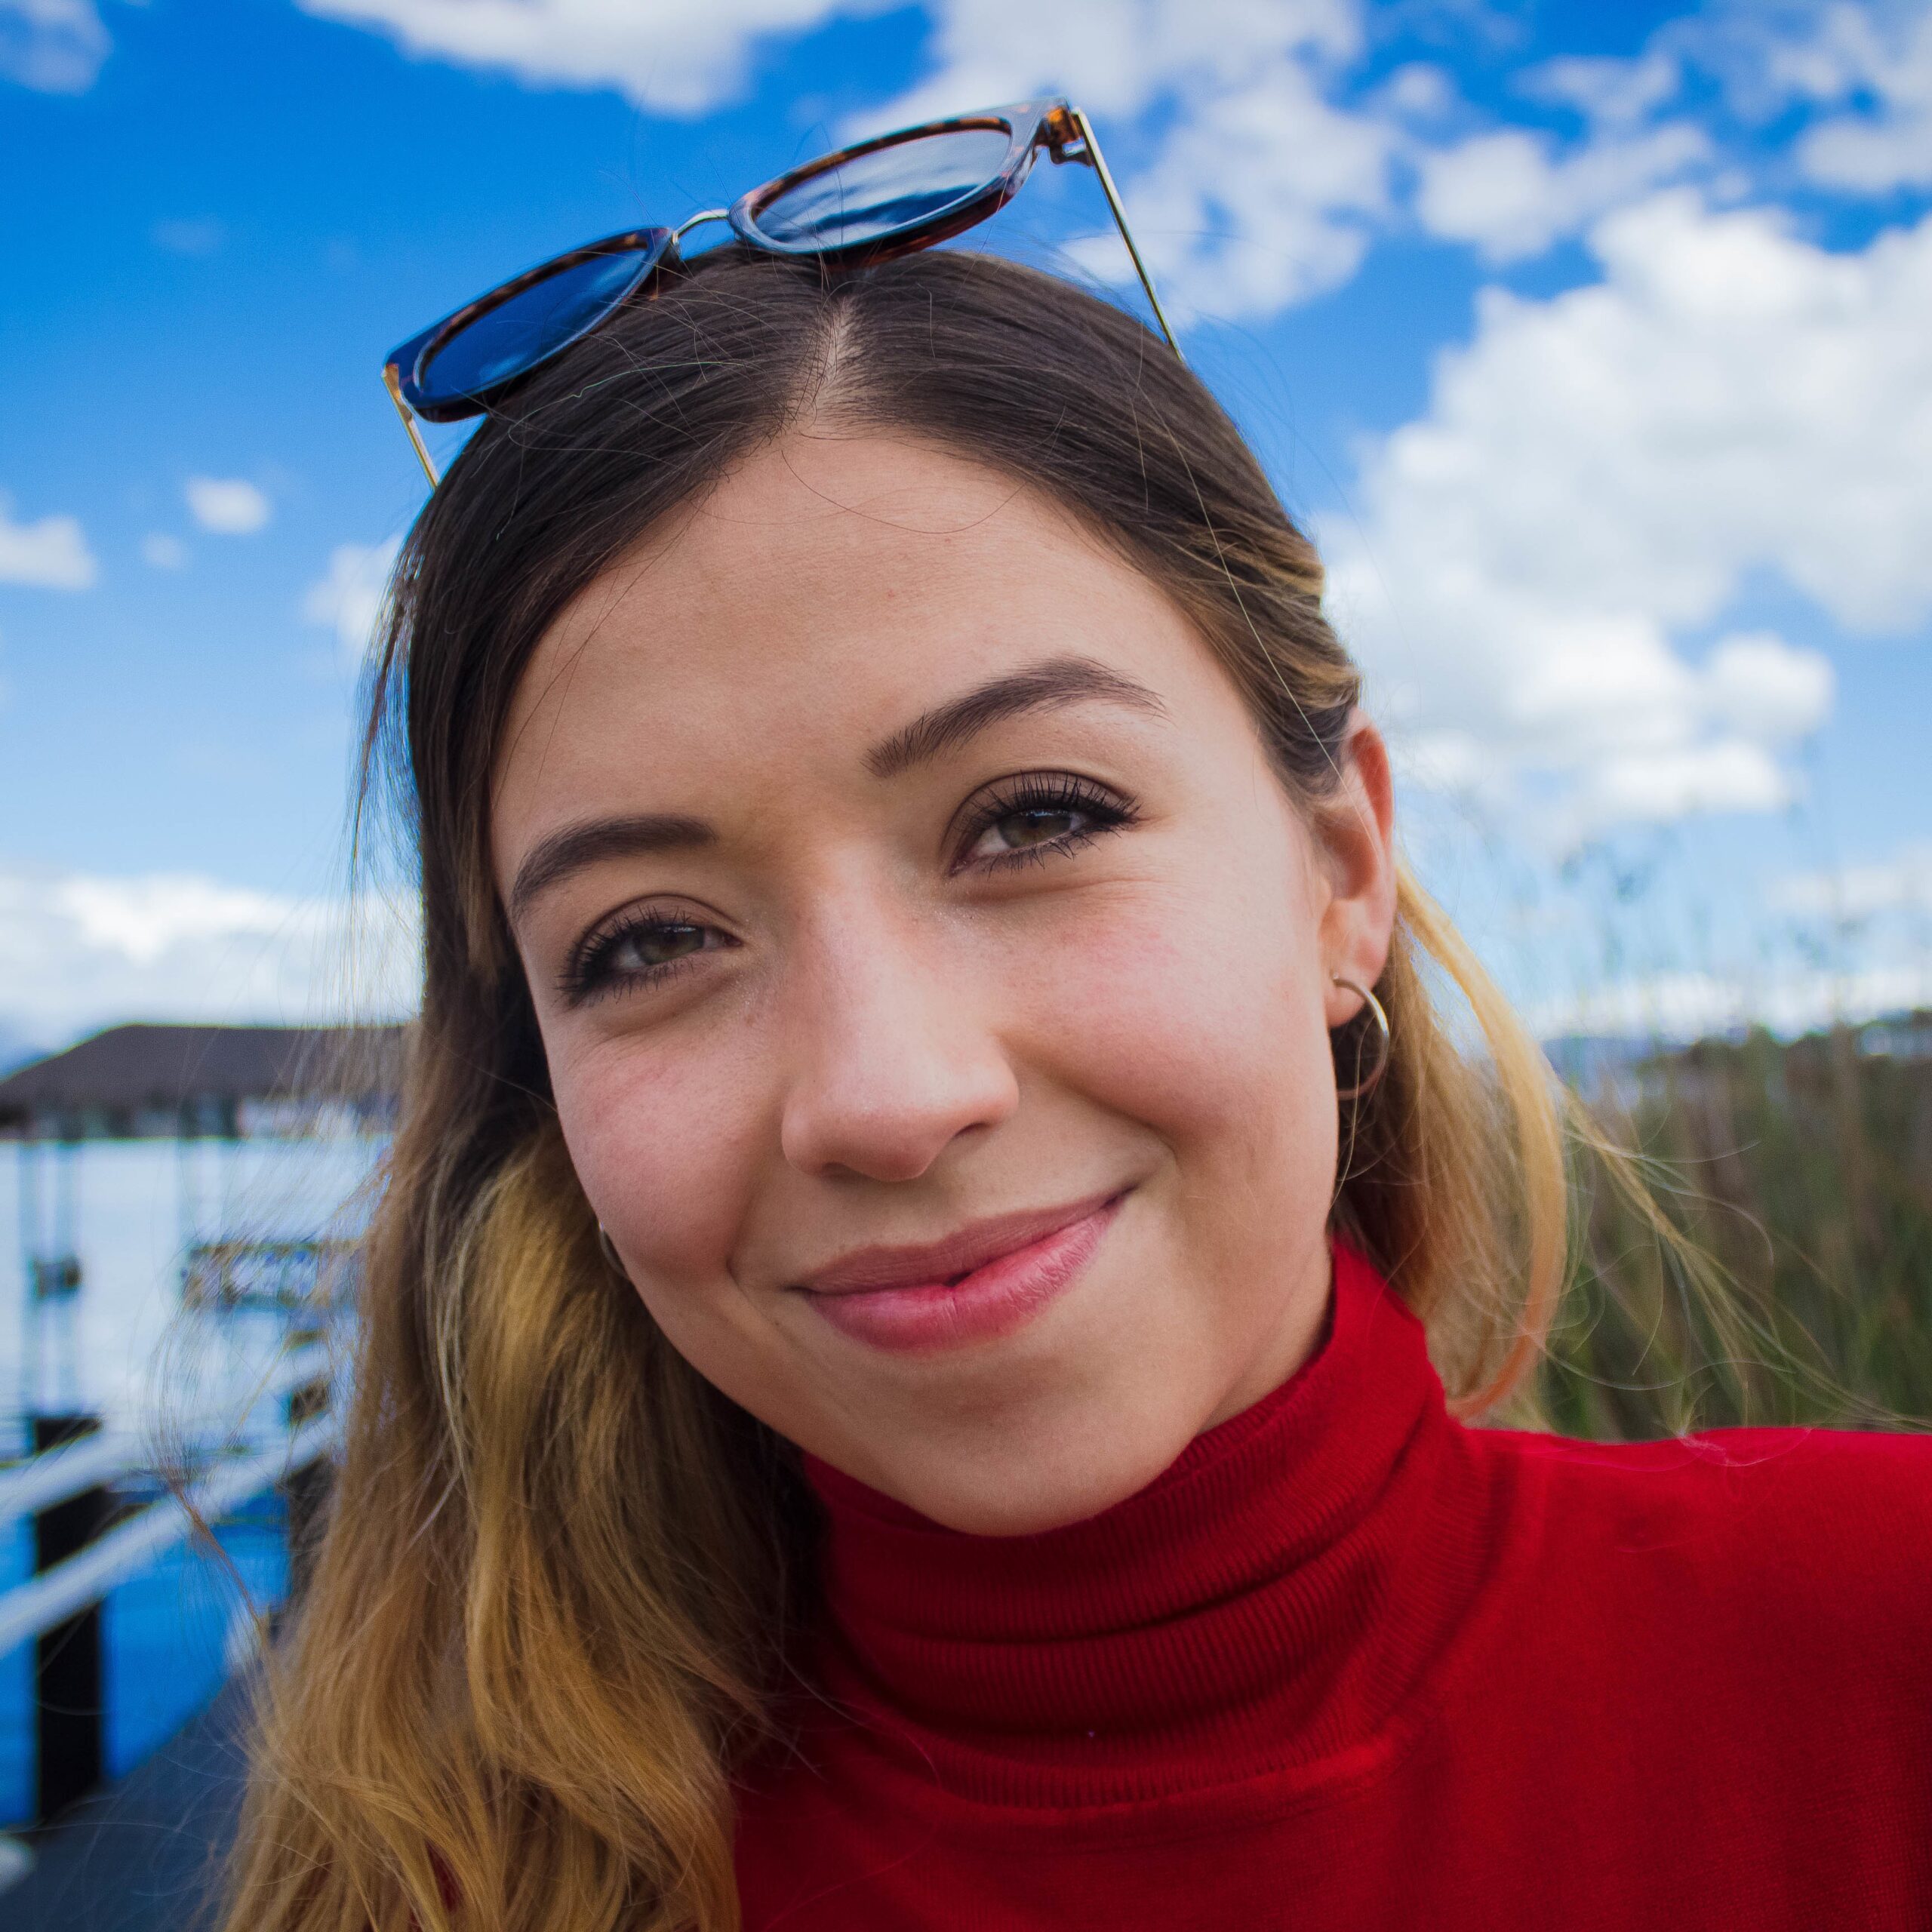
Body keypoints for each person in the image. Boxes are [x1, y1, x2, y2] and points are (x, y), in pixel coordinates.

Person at [223, 238, 1931, 1932]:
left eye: (1033, 817)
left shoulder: (1878, 1651)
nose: (887, 1094)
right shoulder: (437, 1886)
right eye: (650, 940)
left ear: (1338, 871)